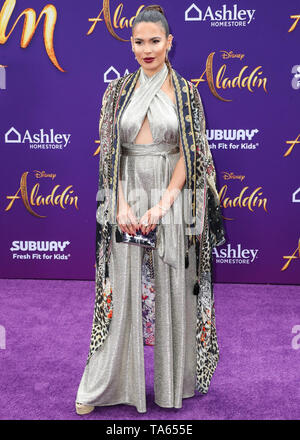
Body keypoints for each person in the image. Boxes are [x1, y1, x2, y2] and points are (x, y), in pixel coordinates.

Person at [75, 5, 226, 415]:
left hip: (171, 196)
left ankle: (173, 386)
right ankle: (105, 386)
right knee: (119, 289)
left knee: (174, 283)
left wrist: (162, 205)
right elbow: (110, 152)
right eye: (139, 42)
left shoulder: (186, 92)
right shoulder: (117, 91)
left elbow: (189, 153)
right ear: (131, 44)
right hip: (123, 191)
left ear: (169, 42)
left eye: (154, 41)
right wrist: (120, 201)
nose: (147, 49)